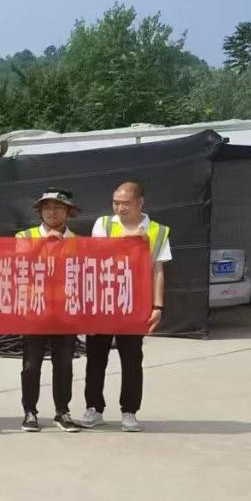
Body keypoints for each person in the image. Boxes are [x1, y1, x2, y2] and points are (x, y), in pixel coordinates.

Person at [79, 181, 171, 432]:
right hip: (103, 301)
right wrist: (131, 241)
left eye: (125, 203)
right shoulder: (104, 224)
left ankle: (129, 411)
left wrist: (157, 306)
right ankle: (94, 408)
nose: (120, 208)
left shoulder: (157, 231)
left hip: (134, 304)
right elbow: (97, 254)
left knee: (132, 359)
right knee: (96, 358)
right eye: (116, 203)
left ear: (140, 202)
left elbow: (158, 271)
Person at [16, 188, 83, 433]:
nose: (52, 212)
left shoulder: (77, 241)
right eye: (47, 207)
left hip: (65, 311)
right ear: (39, 211)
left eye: (58, 207)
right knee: (31, 365)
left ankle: (62, 412)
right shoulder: (25, 236)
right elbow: (18, 266)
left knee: (64, 365)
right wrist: (43, 243)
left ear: (68, 211)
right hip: (35, 310)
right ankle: (30, 412)